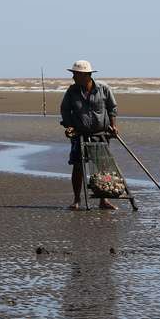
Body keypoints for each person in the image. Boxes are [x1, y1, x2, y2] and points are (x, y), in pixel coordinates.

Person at [59, 60, 119, 210]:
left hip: (100, 134)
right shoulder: (72, 91)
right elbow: (65, 109)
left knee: (103, 167)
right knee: (78, 166)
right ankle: (76, 199)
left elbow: (112, 108)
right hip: (79, 134)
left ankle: (103, 200)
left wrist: (113, 126)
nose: (73, 77)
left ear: (87, 75)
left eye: (76, 74)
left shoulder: (103, 89)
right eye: (73, 74)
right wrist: (69, 126)